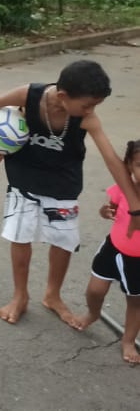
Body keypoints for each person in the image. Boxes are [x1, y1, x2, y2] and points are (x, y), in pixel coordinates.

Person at [0, 60, 140, 327]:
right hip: (23, 180)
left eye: (95, 106)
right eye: (87, 105)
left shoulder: (86, 119)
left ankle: (53, 295)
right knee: (20, 236)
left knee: (63, 241)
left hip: (63, 185)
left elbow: (113, 161)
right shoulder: (28, 95)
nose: (91, 111)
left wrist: (134, 205)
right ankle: (20, 295)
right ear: (62, 96)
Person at [73, 139, 140, 364]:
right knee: (94, 290)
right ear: (129, 166)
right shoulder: (123, 188)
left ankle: (128, 340)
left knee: (136, 302)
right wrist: (105, 211)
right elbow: (109, 209)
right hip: (113, 249)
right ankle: (93, 313)